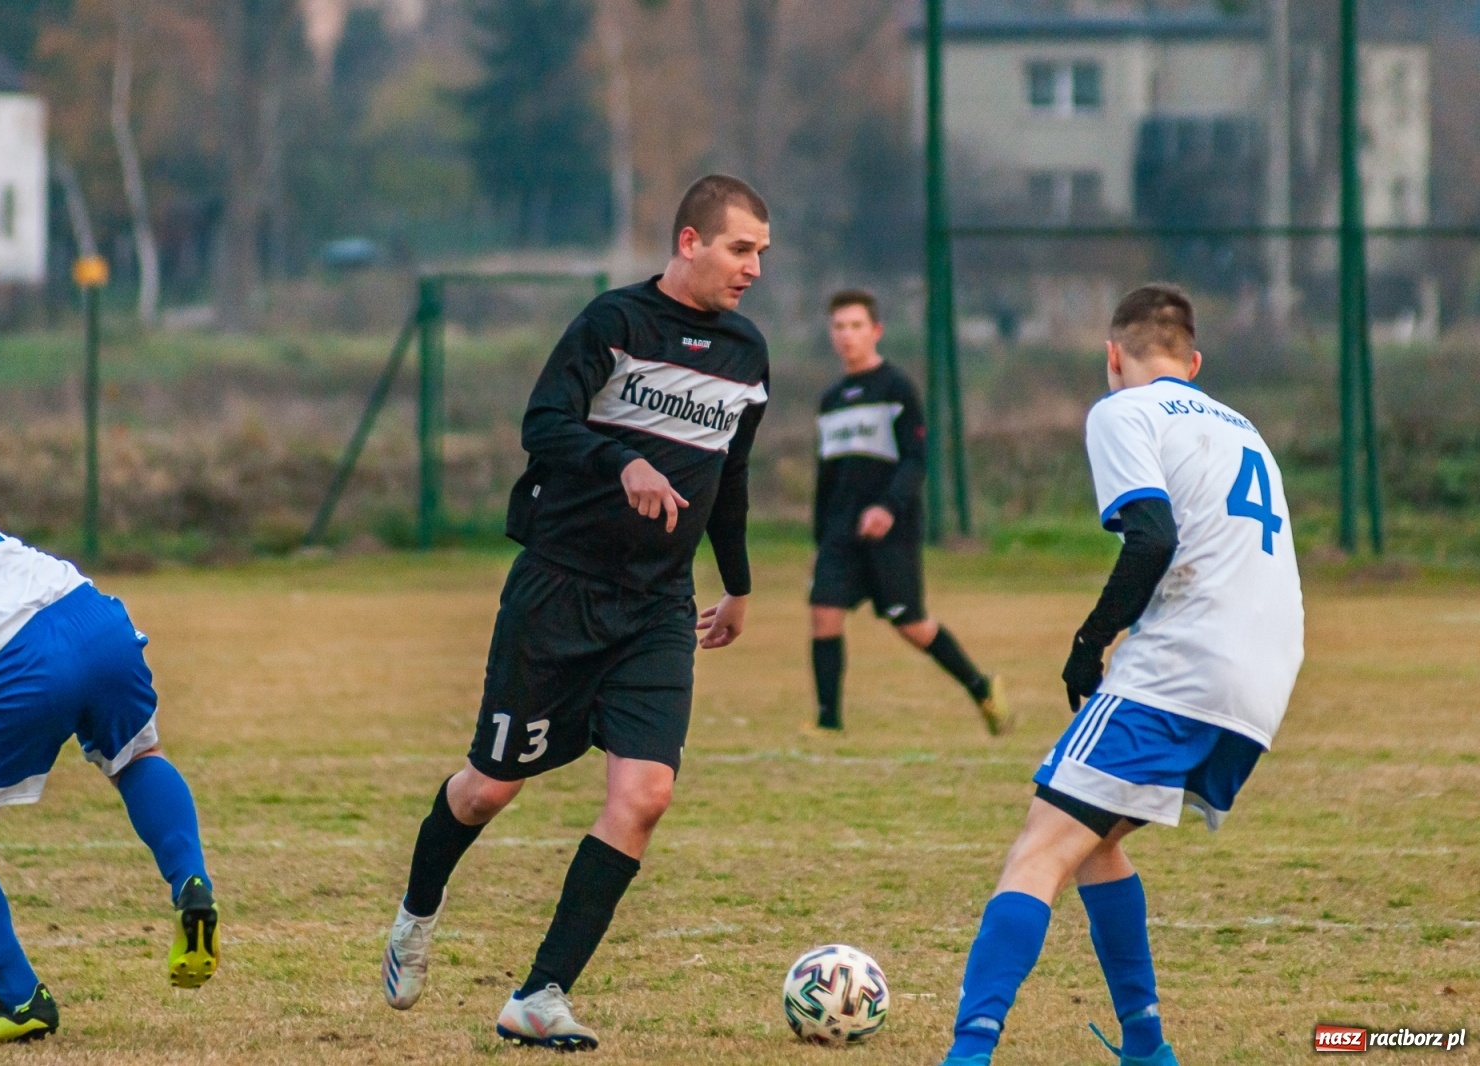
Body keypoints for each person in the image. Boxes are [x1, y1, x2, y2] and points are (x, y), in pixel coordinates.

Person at [381, 175, 772, 1050]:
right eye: (741, 248)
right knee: (488, 789)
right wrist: (621, 463)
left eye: (761, 253)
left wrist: (739, 584)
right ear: (689, 242)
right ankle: (417, 909)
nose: (754, 268)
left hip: (659, 605)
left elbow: (732, 475)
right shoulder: (614, 323)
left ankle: (540, 994)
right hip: (560, 591)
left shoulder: (748, 354)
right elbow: (544, 423)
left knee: (646, 794)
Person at [938, 284, 1304, 1066]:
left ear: (1113, 356)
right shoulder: (1243, 428)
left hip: (1180, 667)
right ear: (1194, 364)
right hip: (1264, 681)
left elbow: (1151, 537)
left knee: (1038, 850)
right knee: (1095, 841)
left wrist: (1090, 638)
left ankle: (968, 1053)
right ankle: (1145, 1045)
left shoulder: (1124, 410)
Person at [0, 489, 218, 1044]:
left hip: (5, 664)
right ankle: (191, 880)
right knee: (136, 755)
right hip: (87, 615)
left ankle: (20, 997)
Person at [808, 290, 1009, 734]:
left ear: (876, 331)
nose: (847, 335)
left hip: (890, 532)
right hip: (840, 530)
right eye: (839, 327)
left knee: (910, 623)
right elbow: (827, 476)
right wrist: (819, 539)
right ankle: (828, 722)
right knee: (823, 610)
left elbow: (916, 460)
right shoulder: (832, 398)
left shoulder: (896, 388)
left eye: (856, 326)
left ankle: (980, 687)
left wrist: (888, 507)